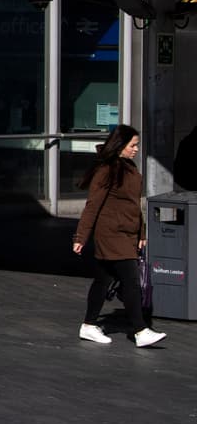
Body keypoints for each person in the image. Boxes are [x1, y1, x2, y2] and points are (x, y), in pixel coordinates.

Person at [73, 124, 166, 348]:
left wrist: (141, 232)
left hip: (125, 232)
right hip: (111, 234)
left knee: (104, 279)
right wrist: (81, 237)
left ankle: (88, 325)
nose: (135, 149)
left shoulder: (128, 168)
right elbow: (92, 205)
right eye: (132, 145)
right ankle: (140, 330)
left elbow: (134, 205)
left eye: (136, 145)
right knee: (131, 280)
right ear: (120, 145)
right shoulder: (106, 170)